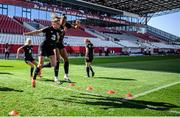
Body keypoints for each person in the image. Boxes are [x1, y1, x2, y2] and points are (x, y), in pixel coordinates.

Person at [24, 17, 61, 88]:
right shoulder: (48, 28)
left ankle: (42, 67)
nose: (59, 25)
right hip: (43, 47)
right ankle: (33, 79)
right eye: (58, 23)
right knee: (40, 63)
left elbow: (56, 40)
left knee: (54, 64)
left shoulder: (58, 31)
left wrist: (55, 43)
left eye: (59, 24)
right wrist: (28, 33)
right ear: (53, 23)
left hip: (50, 48)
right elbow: (38, 31)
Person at [44, 14, 80, 83]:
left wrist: (77, 24)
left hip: (60, 43)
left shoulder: (67, 24)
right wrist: (61, 32)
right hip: (55, 43)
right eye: (62, 20)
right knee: (58, 60)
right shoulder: (57, 25)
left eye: (64, 20)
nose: (63, 22)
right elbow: (54, 33)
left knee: (66, 59)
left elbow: (75, 27)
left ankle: (66, 76)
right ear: (60, 20)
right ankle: (56, 77)